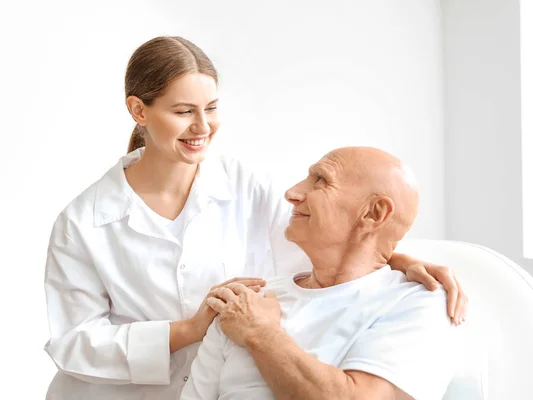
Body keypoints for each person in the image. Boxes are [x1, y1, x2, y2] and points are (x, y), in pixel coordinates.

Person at [43, 36, 467, 400]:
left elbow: (332, 237)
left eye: (211, 107)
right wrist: (190, 330)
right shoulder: (84, 221)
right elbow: (74, 343)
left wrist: (397, 260)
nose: (202, 126)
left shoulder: (249, 186)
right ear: (139, 110)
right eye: (183, 111)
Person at [180, 147, 457, 400]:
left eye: (321, 180)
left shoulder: (417, 303)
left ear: (374, 213)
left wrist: (261, 333)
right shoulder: (246, 302)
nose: (292, 193)